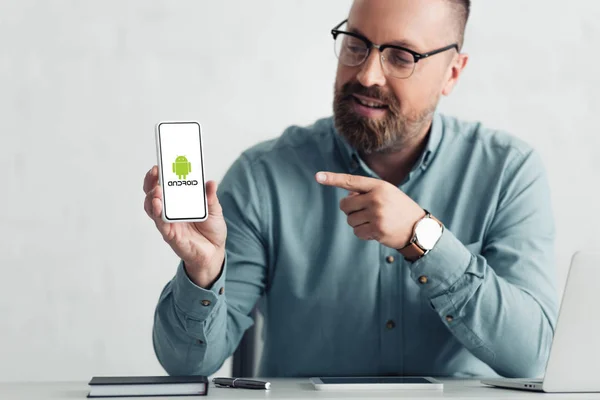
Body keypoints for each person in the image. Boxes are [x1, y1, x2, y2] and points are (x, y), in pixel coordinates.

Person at [144, 0, 558, 378]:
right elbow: (186, 365)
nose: (366, 74)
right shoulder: (263, 176)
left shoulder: (507, 172)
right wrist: (203, 273)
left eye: (401, 56)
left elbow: (530, 356)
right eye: (356, 44)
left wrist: (423, 239)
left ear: (452, 73)